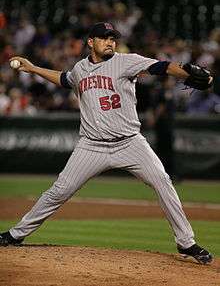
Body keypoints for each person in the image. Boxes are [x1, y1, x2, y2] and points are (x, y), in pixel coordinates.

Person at [0, 22, 213, 264]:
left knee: (162, 181)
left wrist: (186, 73)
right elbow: (64, 79)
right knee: (58, 191)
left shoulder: (125, 61)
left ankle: (186, 242)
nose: (110, 42)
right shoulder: (80, 68)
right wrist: (34, 68)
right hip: (91, 145)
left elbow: (161, 67)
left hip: (130, 143)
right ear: (91, 42)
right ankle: (16, 235)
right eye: (104, 38)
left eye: (112, 38)